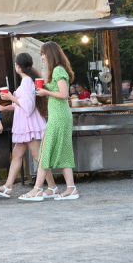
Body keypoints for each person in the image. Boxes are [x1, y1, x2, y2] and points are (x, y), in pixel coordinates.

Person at [19, 42, 78, 201]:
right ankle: (71, 188)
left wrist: (45, 91)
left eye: (43, 54)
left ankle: (37, 189)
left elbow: (64, 94)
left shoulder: (58, 70)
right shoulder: (57, 70)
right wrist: (45, 89)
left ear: (50, 54)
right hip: (59, 115)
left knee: (45, 152)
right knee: (64, 151)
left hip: (59, 116)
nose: (42, 57)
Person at [0, 52, 52, 198]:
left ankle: (52, 187)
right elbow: (21, 104)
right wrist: (6, 107)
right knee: (18, 154)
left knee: (38, 156)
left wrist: (10, 97)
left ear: (18, 67)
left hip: (29, 124)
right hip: (25, 125)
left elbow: (28, 106)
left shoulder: (26, 82)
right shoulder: (28, 81)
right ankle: (7, 186)